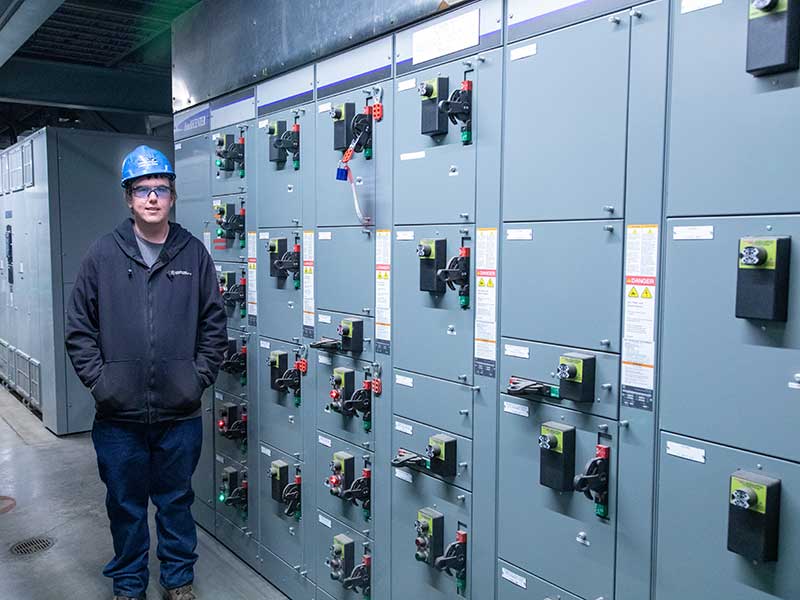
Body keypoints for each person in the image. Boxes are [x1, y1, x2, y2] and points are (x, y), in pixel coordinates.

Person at [65, 145, 228, 600]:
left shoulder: (193, 255)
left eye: (160, 189)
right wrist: (101, 383)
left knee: (176, 502)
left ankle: (178, 580)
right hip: (119, 417)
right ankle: (130, 583)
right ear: (128, 198)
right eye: (142, 190)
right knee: (125, 505)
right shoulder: (103, 254)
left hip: (180, 412)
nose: (152, 198)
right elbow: (79, 326)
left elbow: (215, 326)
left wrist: (196, 378)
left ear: (172, 196)